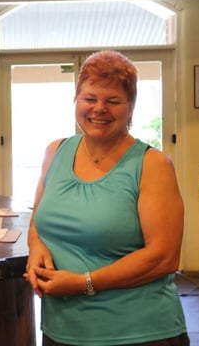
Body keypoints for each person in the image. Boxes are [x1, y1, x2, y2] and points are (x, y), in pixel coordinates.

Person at [24, 50, 189, 346]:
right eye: (89, 98)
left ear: (131, 108)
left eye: (113, 101)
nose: (99, 108)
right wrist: (36, 246)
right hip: (62, 330)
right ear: (76, 100)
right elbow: (37, 220)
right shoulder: (55, 152)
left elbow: (164, 258)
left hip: (137, 332)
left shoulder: (152, 165)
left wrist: (82, 283)